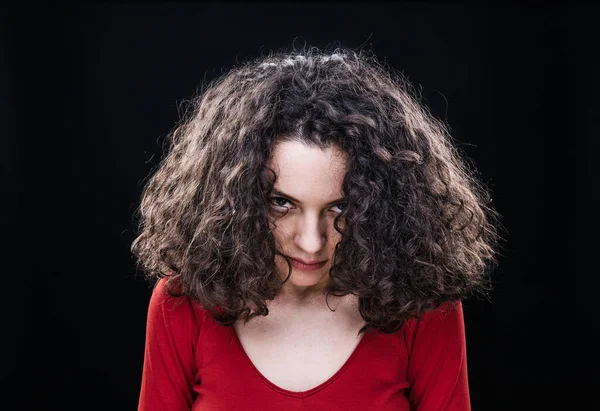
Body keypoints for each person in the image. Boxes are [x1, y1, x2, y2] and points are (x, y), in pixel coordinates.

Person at [131, 46, 501, 410]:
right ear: (237, 199)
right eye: (282, 203)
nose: (312, 242)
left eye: (340, 207)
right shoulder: (182, 304)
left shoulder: (421, 305)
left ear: (381, 205)